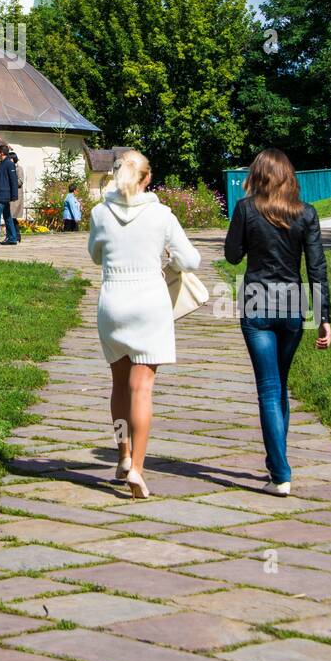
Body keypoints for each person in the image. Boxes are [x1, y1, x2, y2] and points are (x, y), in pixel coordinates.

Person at [88, 149, 201, 499]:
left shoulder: (99, 213)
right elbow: (191, 259)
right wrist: (169, 258)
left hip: (113, 304)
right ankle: (137, 467)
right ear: (147, 178)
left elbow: (95, 255)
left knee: (119, 386)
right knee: (142, 388)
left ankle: (122, 454)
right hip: (149, 304)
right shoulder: (162, 215)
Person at [225, 148, 331, 497]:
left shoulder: (245, 209)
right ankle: (278, 465)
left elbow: (232, 255)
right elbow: (316, 268)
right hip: (291, 305)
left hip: (256, 301)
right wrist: (323, 317)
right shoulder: (306, 214)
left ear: (258, 176)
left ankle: (281, 472)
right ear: (289, 176)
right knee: (279, 385)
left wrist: (243, 222)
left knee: (270, 389)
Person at [9, 152, 24, 243]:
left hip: (16, 197)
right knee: (11, 217)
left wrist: (11, 180)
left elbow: (20, 181)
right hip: (11, 196)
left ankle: (16, 235)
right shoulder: (11, 168)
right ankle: (15, 235)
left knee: (12, 216)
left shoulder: (19, 169)